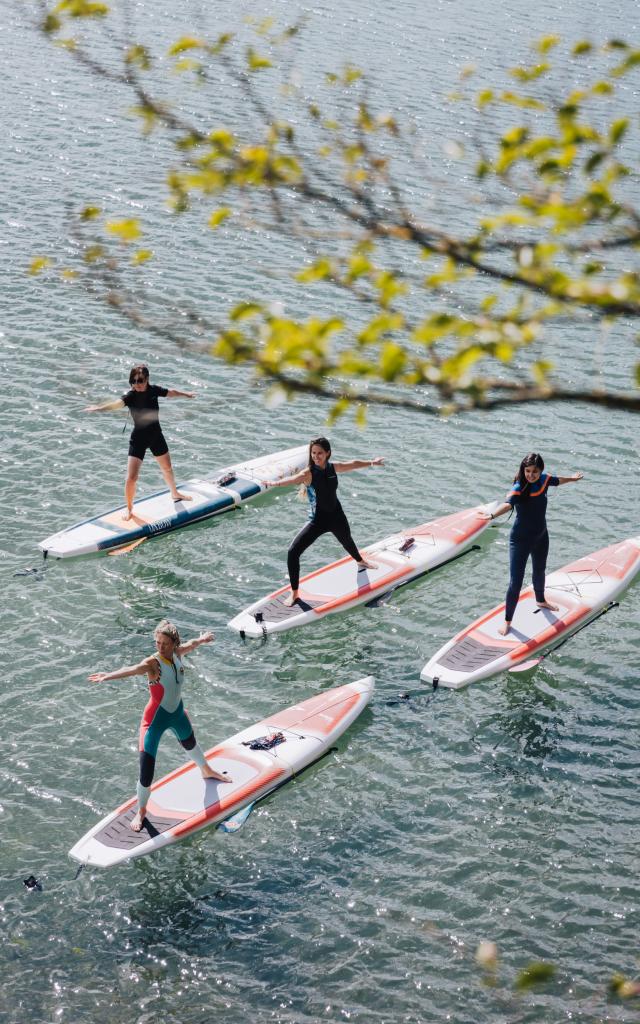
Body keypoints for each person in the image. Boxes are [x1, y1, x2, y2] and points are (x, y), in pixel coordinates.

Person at [88, 621, 231, 833]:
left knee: (191, 742)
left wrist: (201, 640)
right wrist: (108, 676)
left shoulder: (177, 654)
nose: (160, 647)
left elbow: (190, 645)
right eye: (157, 642)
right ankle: (142, 810)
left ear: (174, 643)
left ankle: (207, 770)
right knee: (146, 771)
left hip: (177, 714)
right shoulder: (152, 663)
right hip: (154, 721)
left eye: (164, 643)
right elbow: (133, 669)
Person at [265, 436, 384, 607]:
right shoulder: (308, 473)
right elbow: (293, 479)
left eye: (320, 453)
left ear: (328, 453)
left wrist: (372, 462)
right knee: (293, 552)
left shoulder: (333, 467)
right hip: (317, 521)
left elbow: (353, 463)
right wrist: (274, 483)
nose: (316, 456)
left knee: (347, 540)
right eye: (313, 453)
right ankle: (295, 593)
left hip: (336, 516)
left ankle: (360, 561)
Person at [479, 453, 583, 635]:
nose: (531, 474)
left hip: (541, 536)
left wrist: (573, 479)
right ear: (523, 470)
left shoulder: (544, 480)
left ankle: (541, 600)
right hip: (520, 540)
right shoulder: (519, 487)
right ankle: (508, 621)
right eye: (527, 471)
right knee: (515, 583)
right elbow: (508, 504)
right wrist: (492, 515)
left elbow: (557, 481)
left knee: (540, 570)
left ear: (541, 470)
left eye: (534, 471)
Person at [85, 364, 195, 520]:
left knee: (167, 468)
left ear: (147, 379)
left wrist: (186, 394)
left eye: (140, 380)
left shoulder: (153, 390)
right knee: (131, 478)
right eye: (133, 381)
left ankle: (175, 493)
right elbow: (116, 404)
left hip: (156, 435)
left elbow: (170, 392)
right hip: (139, 439)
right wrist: (98, 408)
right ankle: (129, 509)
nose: (137, 384)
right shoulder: (131, 396)